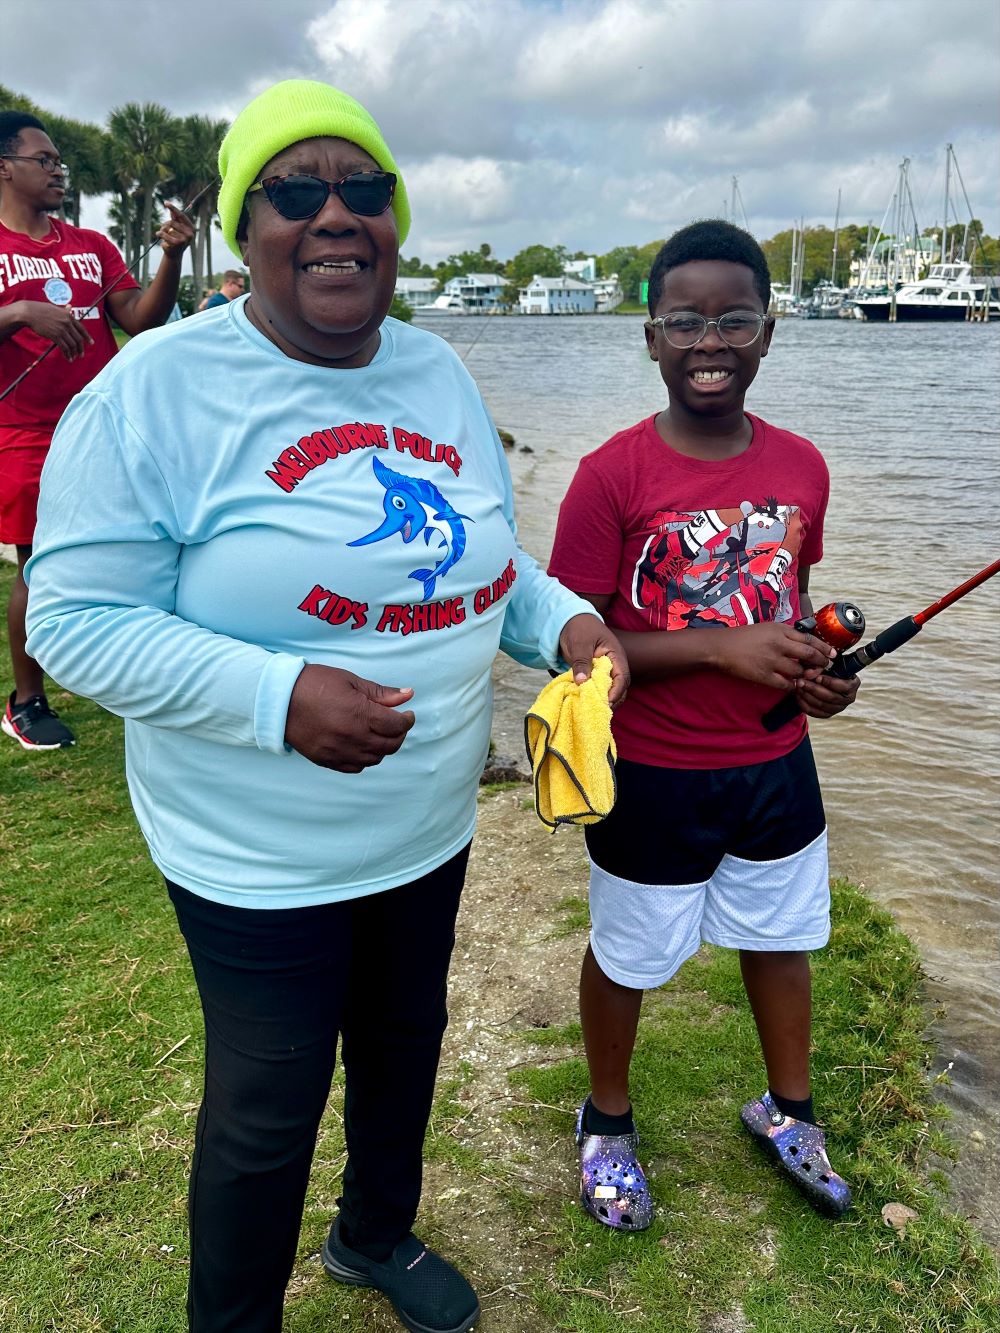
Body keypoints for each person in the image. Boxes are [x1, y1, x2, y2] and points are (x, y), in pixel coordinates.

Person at [25, 80, 627, 1333]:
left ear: (397, 221)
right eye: (295, 193)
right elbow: (72, 622)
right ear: (246, 227)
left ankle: (374, 1235)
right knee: (266, 1102)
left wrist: (562, 618)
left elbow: (480, 554)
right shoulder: (152, 391)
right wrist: (275, 692)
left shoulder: (439, 369)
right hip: (253, 855)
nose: (334, 216)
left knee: (405, 1047)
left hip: (425, 826)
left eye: (364, 191)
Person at [547, 220, 860, 1232]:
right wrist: (721, 651)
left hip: (775, 766)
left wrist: (817, 678)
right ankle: (606, 1120)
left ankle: (788, 1109)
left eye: (733, 318)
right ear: (650, 336)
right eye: (684, 319)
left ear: (767, 332)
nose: (709, 340)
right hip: (652, 772)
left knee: (781, 939)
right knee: (629, 954)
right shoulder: (609, 475)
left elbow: (783, 610)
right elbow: (572, 640)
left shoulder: (805, 467)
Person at [0, 109, 192, 750]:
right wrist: (22, 310)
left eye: (60, 161)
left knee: (125, 549)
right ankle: (27, 701)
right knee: (39, 562)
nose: (59, 170)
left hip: (102, 424)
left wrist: (171, 257)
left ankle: (122, 670)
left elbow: (141, 320)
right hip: (22, 428)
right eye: (44, 160)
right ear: (4, 166)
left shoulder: (92, 246)